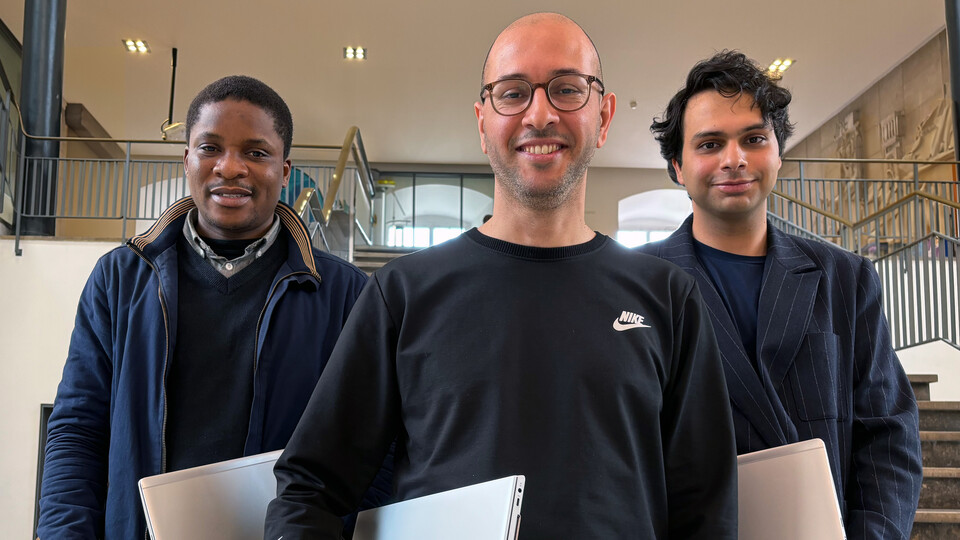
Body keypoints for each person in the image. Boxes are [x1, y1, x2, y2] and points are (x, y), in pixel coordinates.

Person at [265, 13, 736, 540]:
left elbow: (706, 512)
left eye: (566, 90)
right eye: (512, 93)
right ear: (482, 120)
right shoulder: (403, 293)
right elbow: (311, 489)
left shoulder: (668, 297)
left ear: (603, 117)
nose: (540, 114)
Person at [37, 75, 385, 539]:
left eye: (256, 153)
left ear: (284, 171)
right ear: (187, 160)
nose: (230, 167)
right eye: (210, 147)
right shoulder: (120, 279)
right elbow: (78, 430)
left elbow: (374, 447)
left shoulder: (346, 293)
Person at [641, 51, 922, 539]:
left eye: (753, 139)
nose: (735, 159)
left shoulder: (844, 277)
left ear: (778, 152)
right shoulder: (638, 284)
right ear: (678, 167)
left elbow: (889, 434)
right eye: (710, 144)